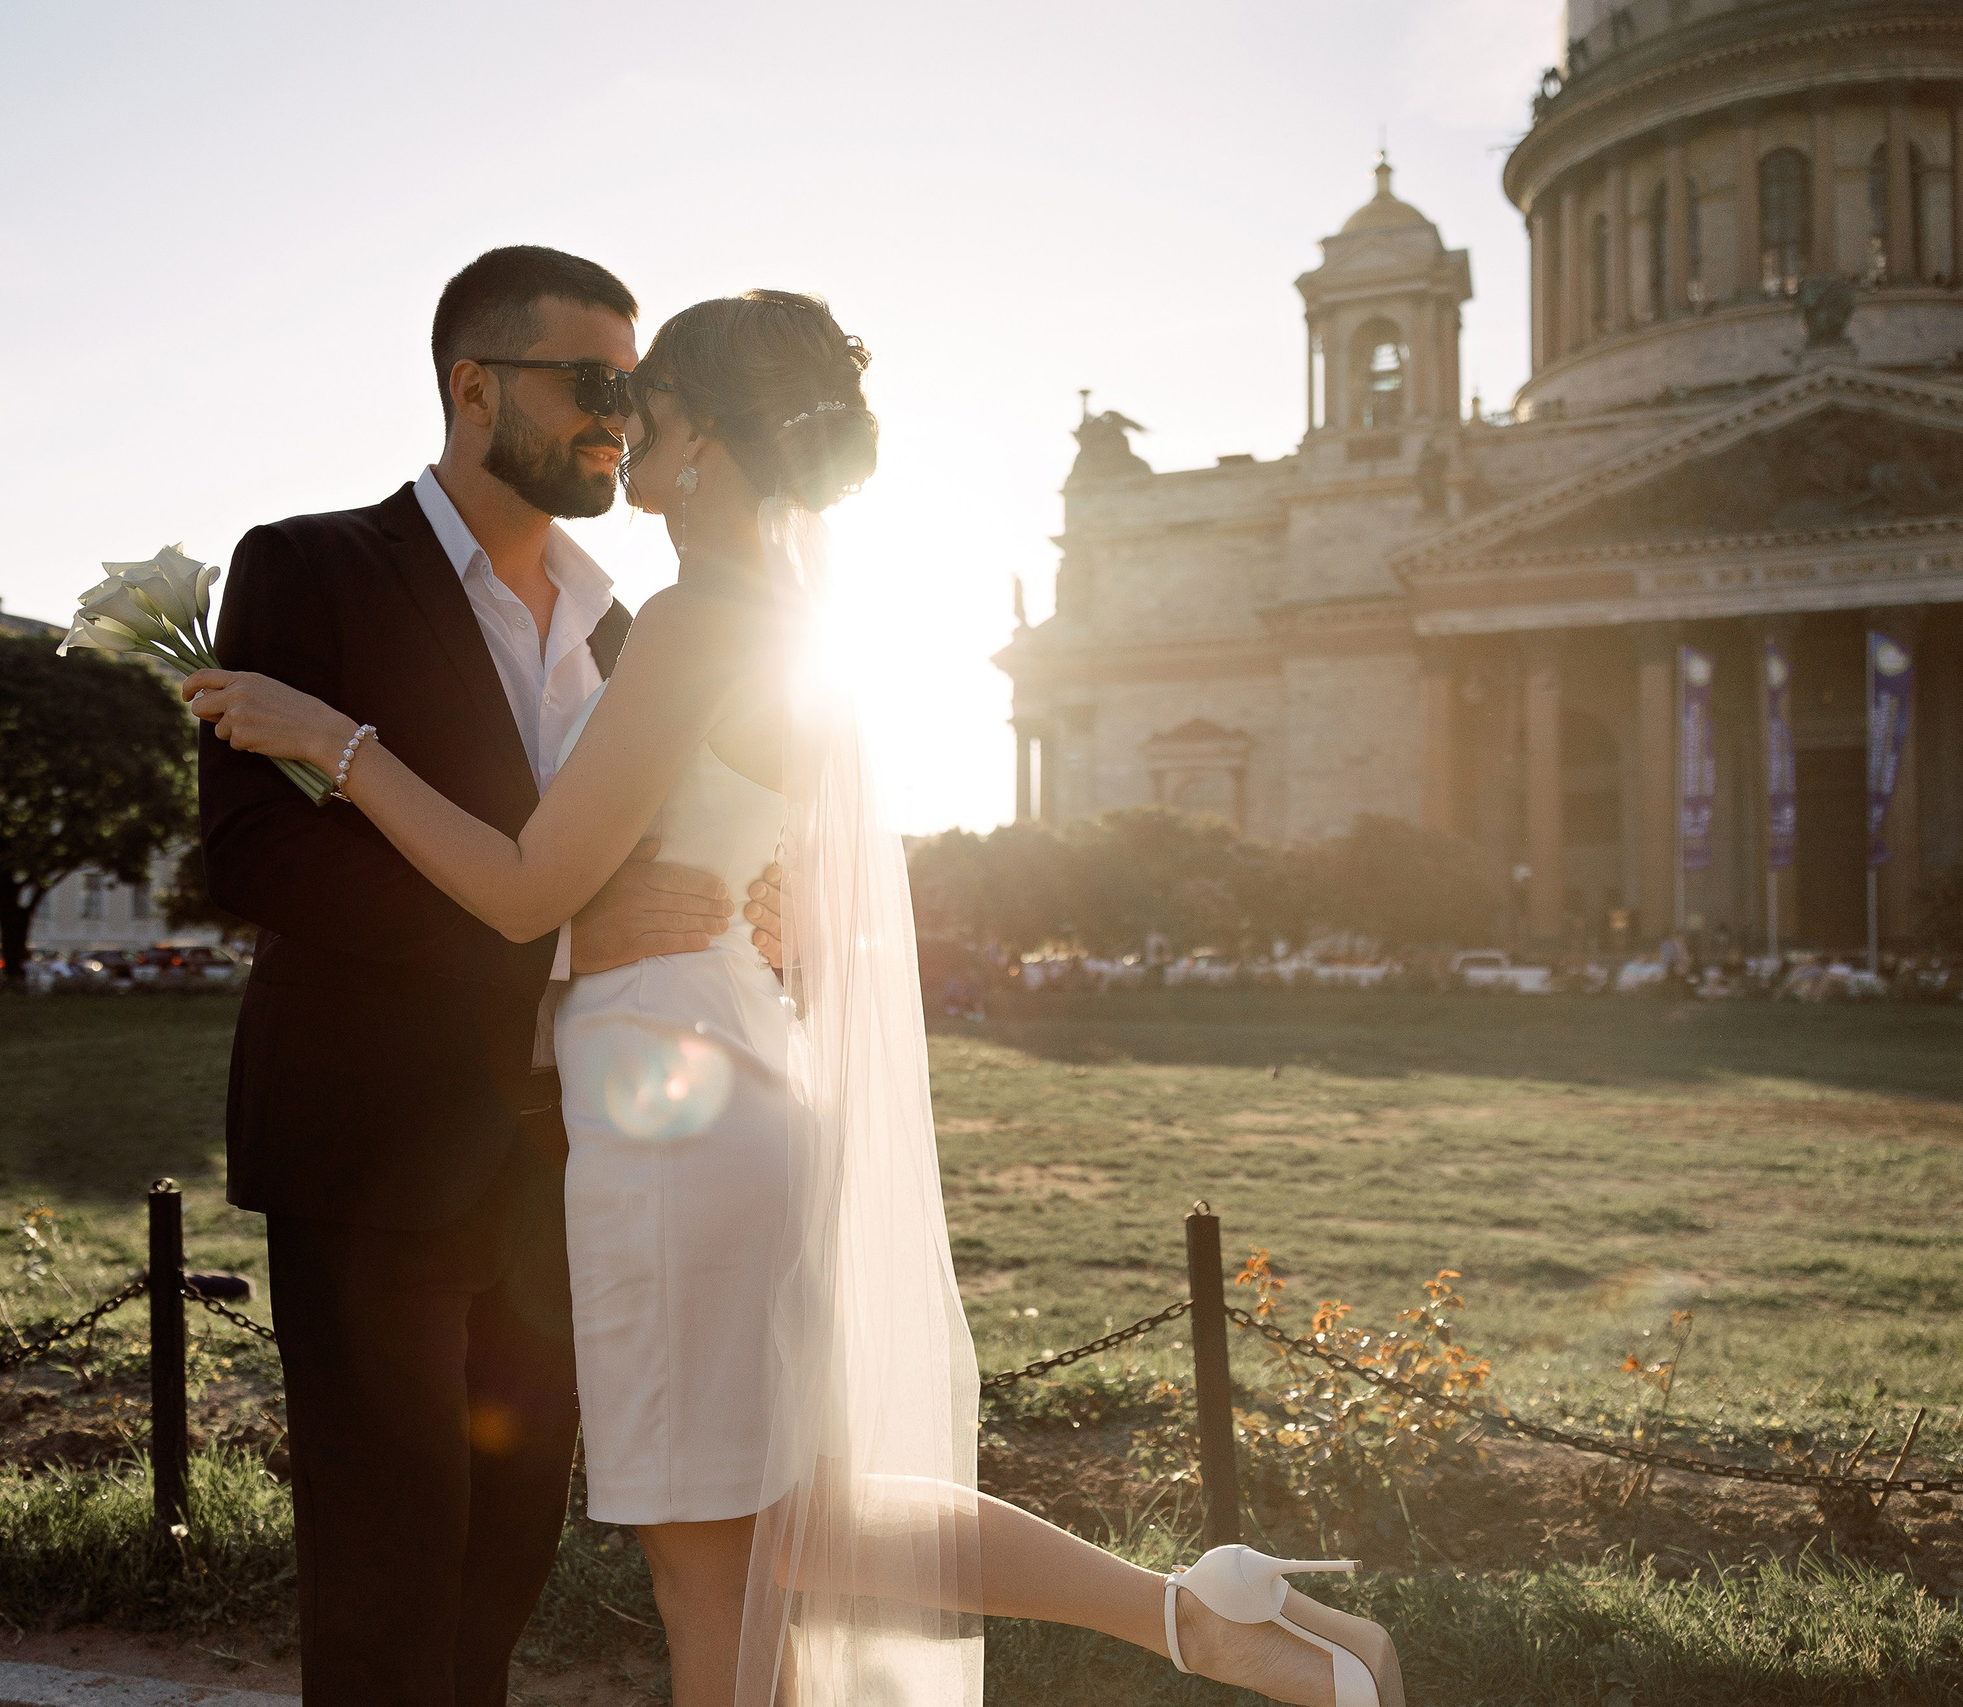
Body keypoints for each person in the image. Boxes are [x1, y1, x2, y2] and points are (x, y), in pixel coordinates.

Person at [187, 290, 1401, 1707]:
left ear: (702, 439)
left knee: (720, 1561)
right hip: (725, 1076)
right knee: (783, 1525)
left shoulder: (692, 620)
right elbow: (783, 884)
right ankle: (1211, 1616)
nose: (623, 432)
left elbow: (523, 889)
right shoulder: (781, 622)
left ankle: (1206, 1623)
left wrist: (339, 744)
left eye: (645, 406)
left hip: (668, 1113)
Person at [192, 247, 783, 1707]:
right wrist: (563, 935)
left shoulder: (630, 623)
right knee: (387, 1561)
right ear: (474, 387)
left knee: (504, 1562)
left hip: (572, 1152)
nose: (620, 418)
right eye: (590, 383)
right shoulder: (310, 565)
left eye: (635, 390)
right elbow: (255, 857)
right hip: (371, 1143)